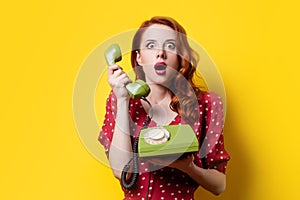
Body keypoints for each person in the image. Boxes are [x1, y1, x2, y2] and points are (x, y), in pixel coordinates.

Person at [98, 16, 230, 200]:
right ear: (139, 57)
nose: (160, 53)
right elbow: (121, 171)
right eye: (151, 45)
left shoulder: (206, 104)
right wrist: (121, 99)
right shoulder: (122, 100)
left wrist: (187, 167)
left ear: (180, 58)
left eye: (170, 46)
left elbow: (219, 185)